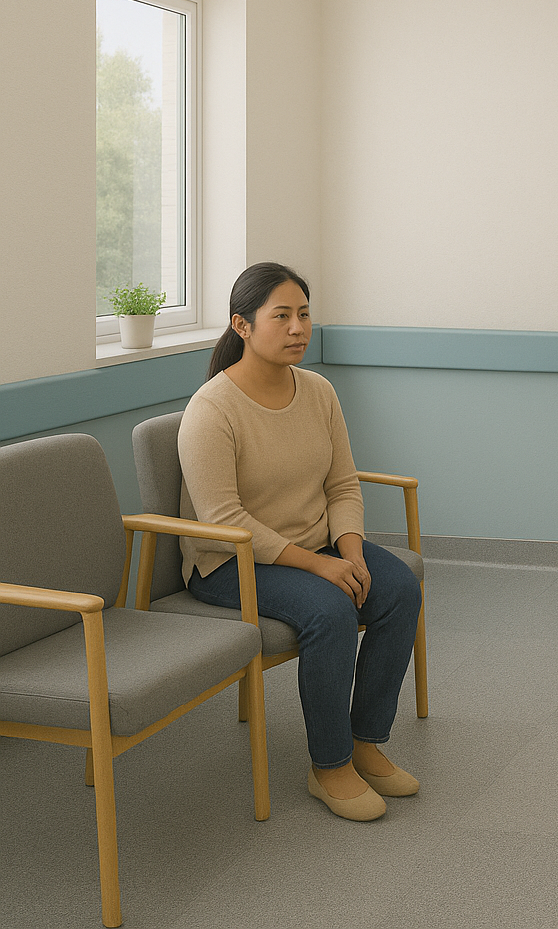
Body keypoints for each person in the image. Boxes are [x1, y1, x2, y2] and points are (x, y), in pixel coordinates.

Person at [179, 262, 422, 822]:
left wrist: (352, 552)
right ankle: (329, 765)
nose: (297, 328)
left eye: (305, 315)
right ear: (241, 325)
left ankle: (365, 741)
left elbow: (341, 483)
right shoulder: (212, 409)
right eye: (281, 316)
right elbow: (224, 518)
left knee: (399, 588)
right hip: (230, 562)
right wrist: (319, 567)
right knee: (332, 611)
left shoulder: (318, 392)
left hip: (315, 547)